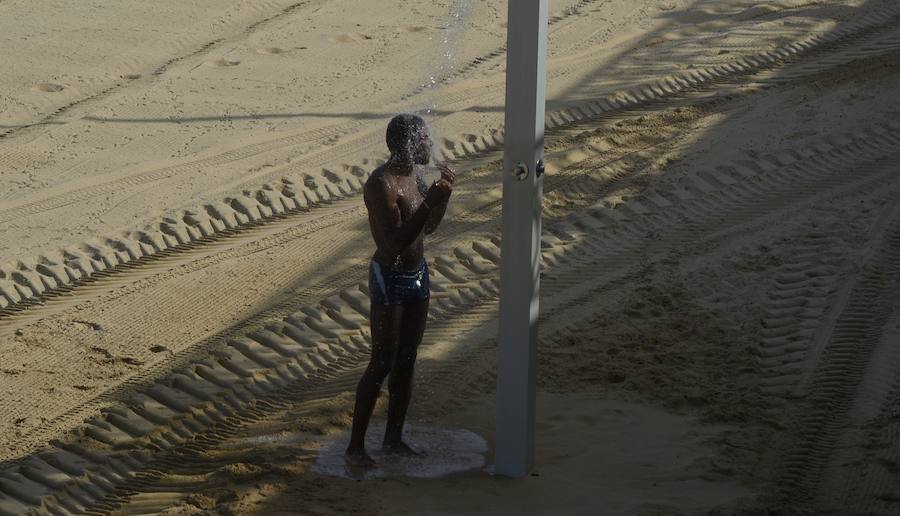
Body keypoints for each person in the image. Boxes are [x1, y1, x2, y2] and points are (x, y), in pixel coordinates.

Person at [345, 113, 455, 468]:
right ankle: (355, 447)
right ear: (405, 144)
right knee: (382, 361)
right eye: (423, 139)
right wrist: (430, 201)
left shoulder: (415, 177)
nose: (429, 144)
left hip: (418, 275)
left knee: (407, 359)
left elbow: (428, 228)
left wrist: (442, 197)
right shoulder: (382, 184)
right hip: (389, 277)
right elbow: (394, 243)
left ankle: (393, 439)